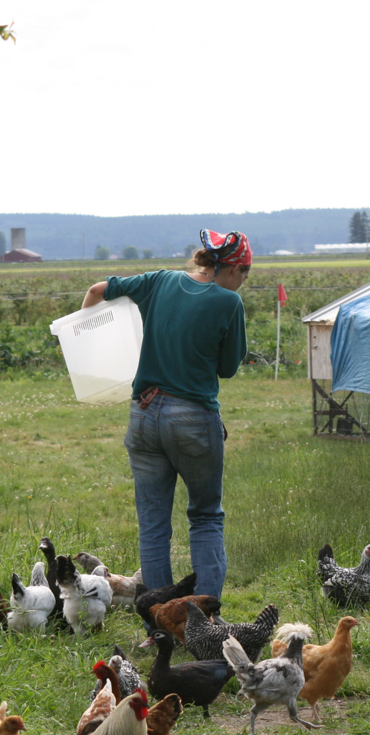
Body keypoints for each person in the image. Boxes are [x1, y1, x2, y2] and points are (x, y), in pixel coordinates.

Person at [80, 230, 250, 599]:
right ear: (234, 268)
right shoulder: (228, 303)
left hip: (143, 414)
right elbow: (227, 368)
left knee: (153, 525)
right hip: (193, 419)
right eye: (245, 274)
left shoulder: (160, 280)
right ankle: (204, 615)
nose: (243, 283)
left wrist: (88, 353)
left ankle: (158, 621)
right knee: (205, 517)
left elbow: (96, 290)